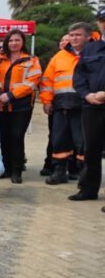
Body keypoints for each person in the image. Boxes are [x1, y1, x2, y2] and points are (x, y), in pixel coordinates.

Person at [40, 22, 90, 185]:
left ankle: (85, 174)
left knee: (82, 141)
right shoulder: (59, 56)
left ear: (88, 36)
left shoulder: (95, 55)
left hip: (85, 106)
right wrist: (46, 101)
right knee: (59, 139)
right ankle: (59, 171)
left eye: (78, 35)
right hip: (61, 105)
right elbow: (47, 80)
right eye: (72, 35)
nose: (74, 38)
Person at [0, 29, 41, 184]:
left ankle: (17, 170)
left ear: (22, 42)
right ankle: (6, 168)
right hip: (0, 104)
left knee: (17, 136)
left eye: (17, 40)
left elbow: (33, 81)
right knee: (4, 137)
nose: (13, 43)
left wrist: (12, 95)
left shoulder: (32, 60)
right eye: (11, 40)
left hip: (21, 105)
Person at [70, 7, 105, 201]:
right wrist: (87, 95)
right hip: (91, 106)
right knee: (91, 150)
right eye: (102, 20)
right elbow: (79, 76)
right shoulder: (91, 49)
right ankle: (88, 189)